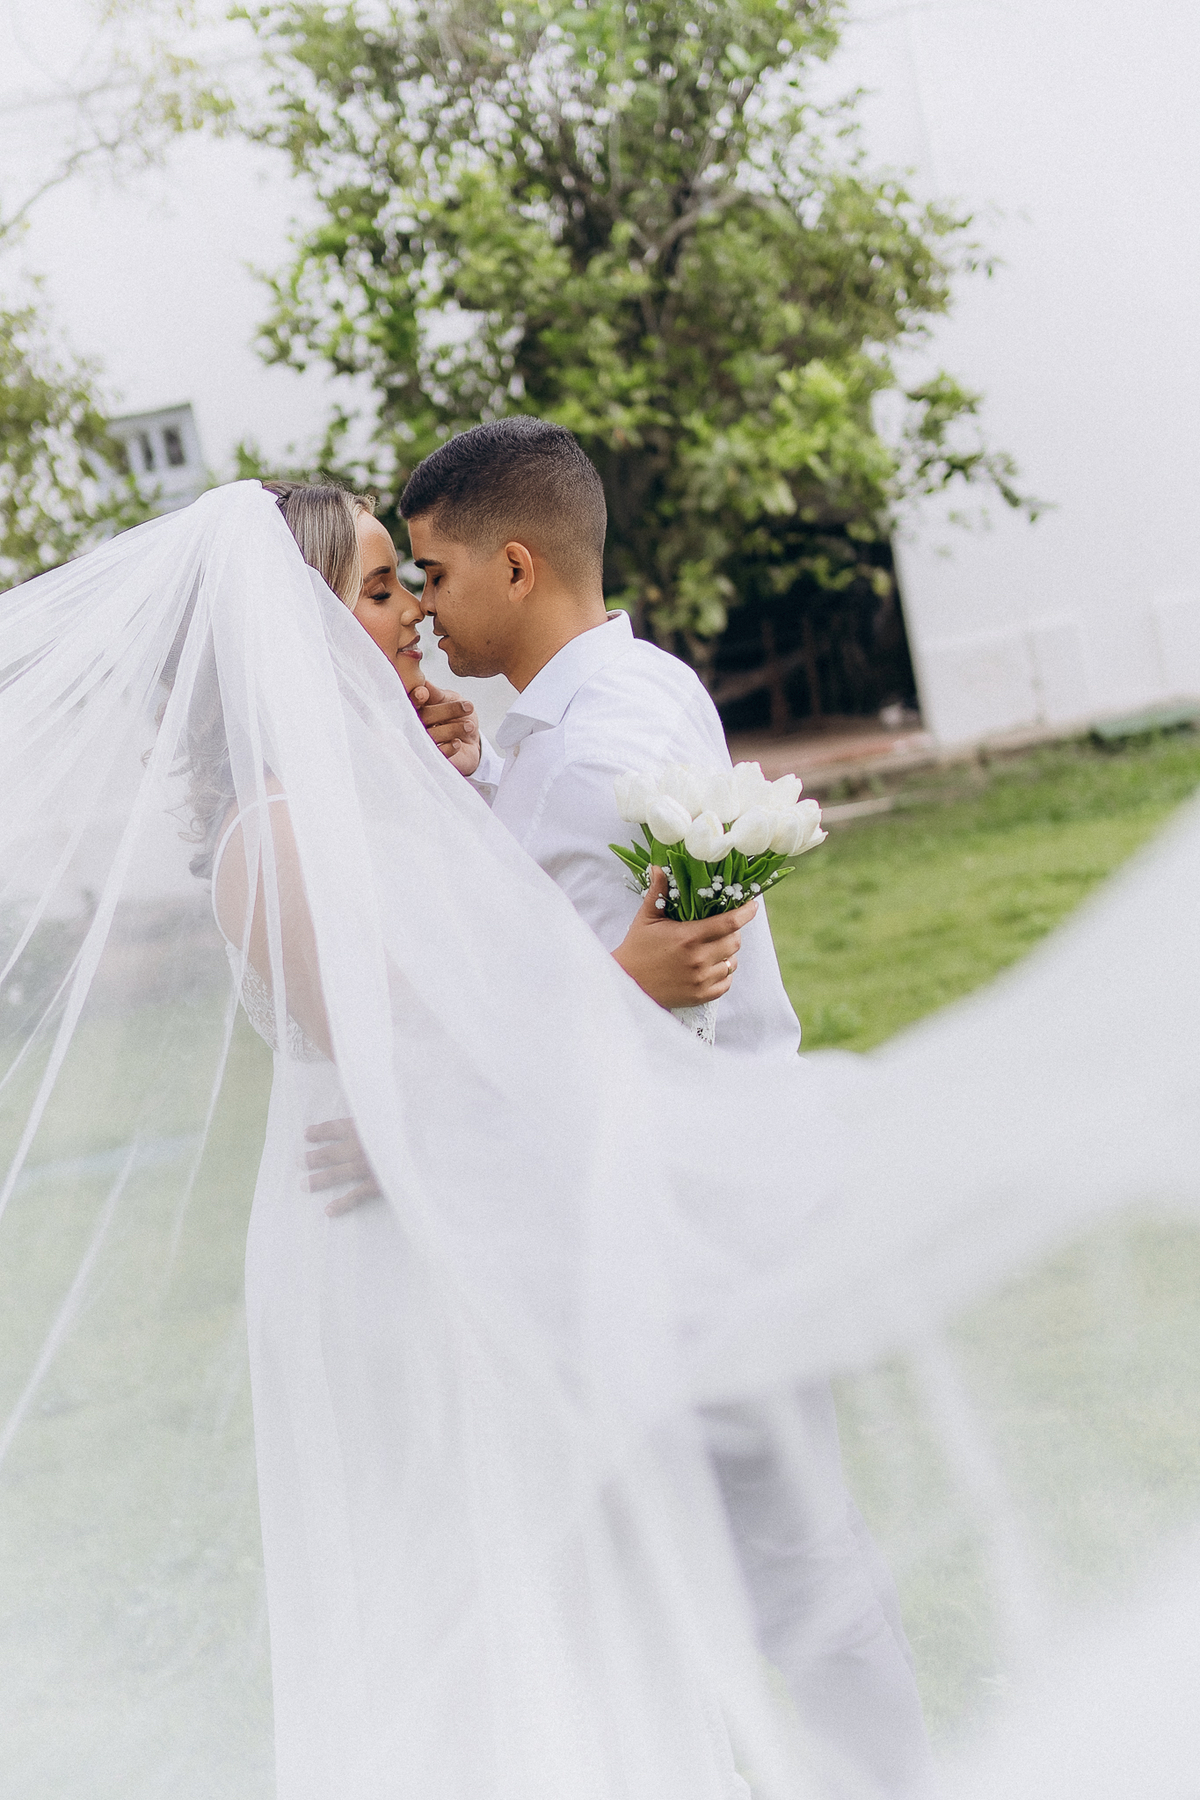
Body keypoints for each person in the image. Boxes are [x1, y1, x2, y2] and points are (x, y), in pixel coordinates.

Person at [4, 480, 1199, 1800]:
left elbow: (468, 994)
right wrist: (626, 979)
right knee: (496, 1612)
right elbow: (418, 1071)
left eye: (413, 578)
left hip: (462, 1226)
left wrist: (442, 774)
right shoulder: (273, 839)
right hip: (398, 1251)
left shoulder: (385, 785)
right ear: (298, 630)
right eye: (381, 588)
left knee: (592, 1592)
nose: (416, 613)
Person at [393, 418, 935, 1795]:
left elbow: (607, 1035)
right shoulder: (624, 695)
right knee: (726, 1563)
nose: (424, 607)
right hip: (697, 1193)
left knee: (783, 1566)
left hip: (674, 1227)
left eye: (436, 574)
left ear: (517, 565)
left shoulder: (589, 749)